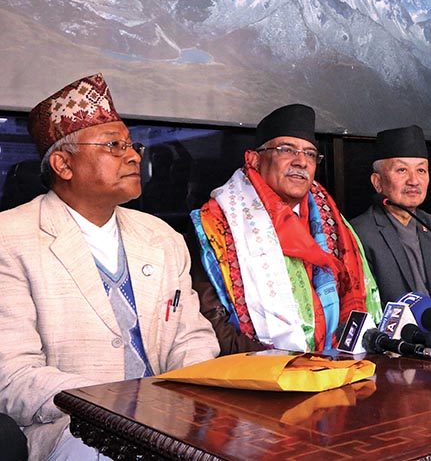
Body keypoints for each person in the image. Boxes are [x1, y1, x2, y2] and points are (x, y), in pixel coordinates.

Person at [0, 73, 220, 460]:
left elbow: (191, 338)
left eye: (131, 144)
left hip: (174, 419)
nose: (135, 155)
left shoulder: (161, 236)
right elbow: (13, 376)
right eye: (113, 146)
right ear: (63, 165)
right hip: (72, 428)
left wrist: (195, 399)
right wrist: (120, 405)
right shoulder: (10, 239)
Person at [191, 104, 382, 355]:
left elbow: (353, 301)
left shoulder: (334, 222)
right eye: (286, 150)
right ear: (255, 159)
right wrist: (287, 364)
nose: (301, 162)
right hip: (262, 374)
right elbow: (214, 323)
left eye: (311, 154)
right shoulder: (217, 224)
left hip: (341, 365)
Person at [351, 125, 431, 307]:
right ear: (377, 182)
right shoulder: (360, 233)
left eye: (421, 170)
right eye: (402, 170)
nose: (414, 181)